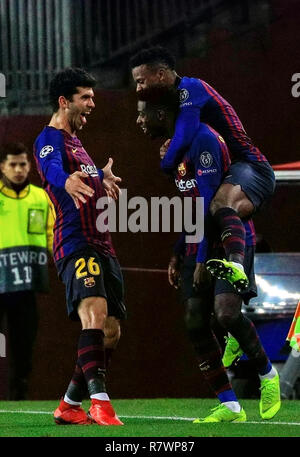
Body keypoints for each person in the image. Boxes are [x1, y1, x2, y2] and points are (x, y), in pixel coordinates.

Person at [136, 86, 280, 422]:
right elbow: (189, 209)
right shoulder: (173, 151)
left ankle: (267, 374)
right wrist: (177, 251)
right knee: (194, 321)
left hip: (223, 240)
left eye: (143, 113)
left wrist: (200, 258)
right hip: (194, 241)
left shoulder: (204, 141)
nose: (139, 120)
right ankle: (230, 405)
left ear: (162, 113)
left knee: (226, 314)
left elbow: (208, 204)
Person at [130, 46, 276, 293]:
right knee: (210, 210)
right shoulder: (176, 102)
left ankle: (235, 266)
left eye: (141, 81)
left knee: (219, 206)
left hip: (251, 165)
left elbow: (186, 134)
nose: (138, 89)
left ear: (162, 75)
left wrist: (166, 164)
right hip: (231, 169)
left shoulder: (190, 89)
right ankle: (230, 282)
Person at [33, 67, 125, 426]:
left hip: (102, 242)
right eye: (85, 98)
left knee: (112, 331)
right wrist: (64, 180)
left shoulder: (77, 142)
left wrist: (101, 179)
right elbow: (51, 169)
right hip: (75, 242)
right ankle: (100, 404)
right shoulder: (51, 137)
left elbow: (79, 177)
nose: (92, 103)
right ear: (63, 101)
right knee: (95, 316)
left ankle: (71, 403)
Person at [0, 142, 54, 400]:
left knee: (23, 349)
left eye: (23, 164)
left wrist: (57, 255)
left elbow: (51, 233)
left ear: (30, 166)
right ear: (2, 167)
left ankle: (17, 401)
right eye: (13, 164)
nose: (19, 169)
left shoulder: (40, 197)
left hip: (25, 287)